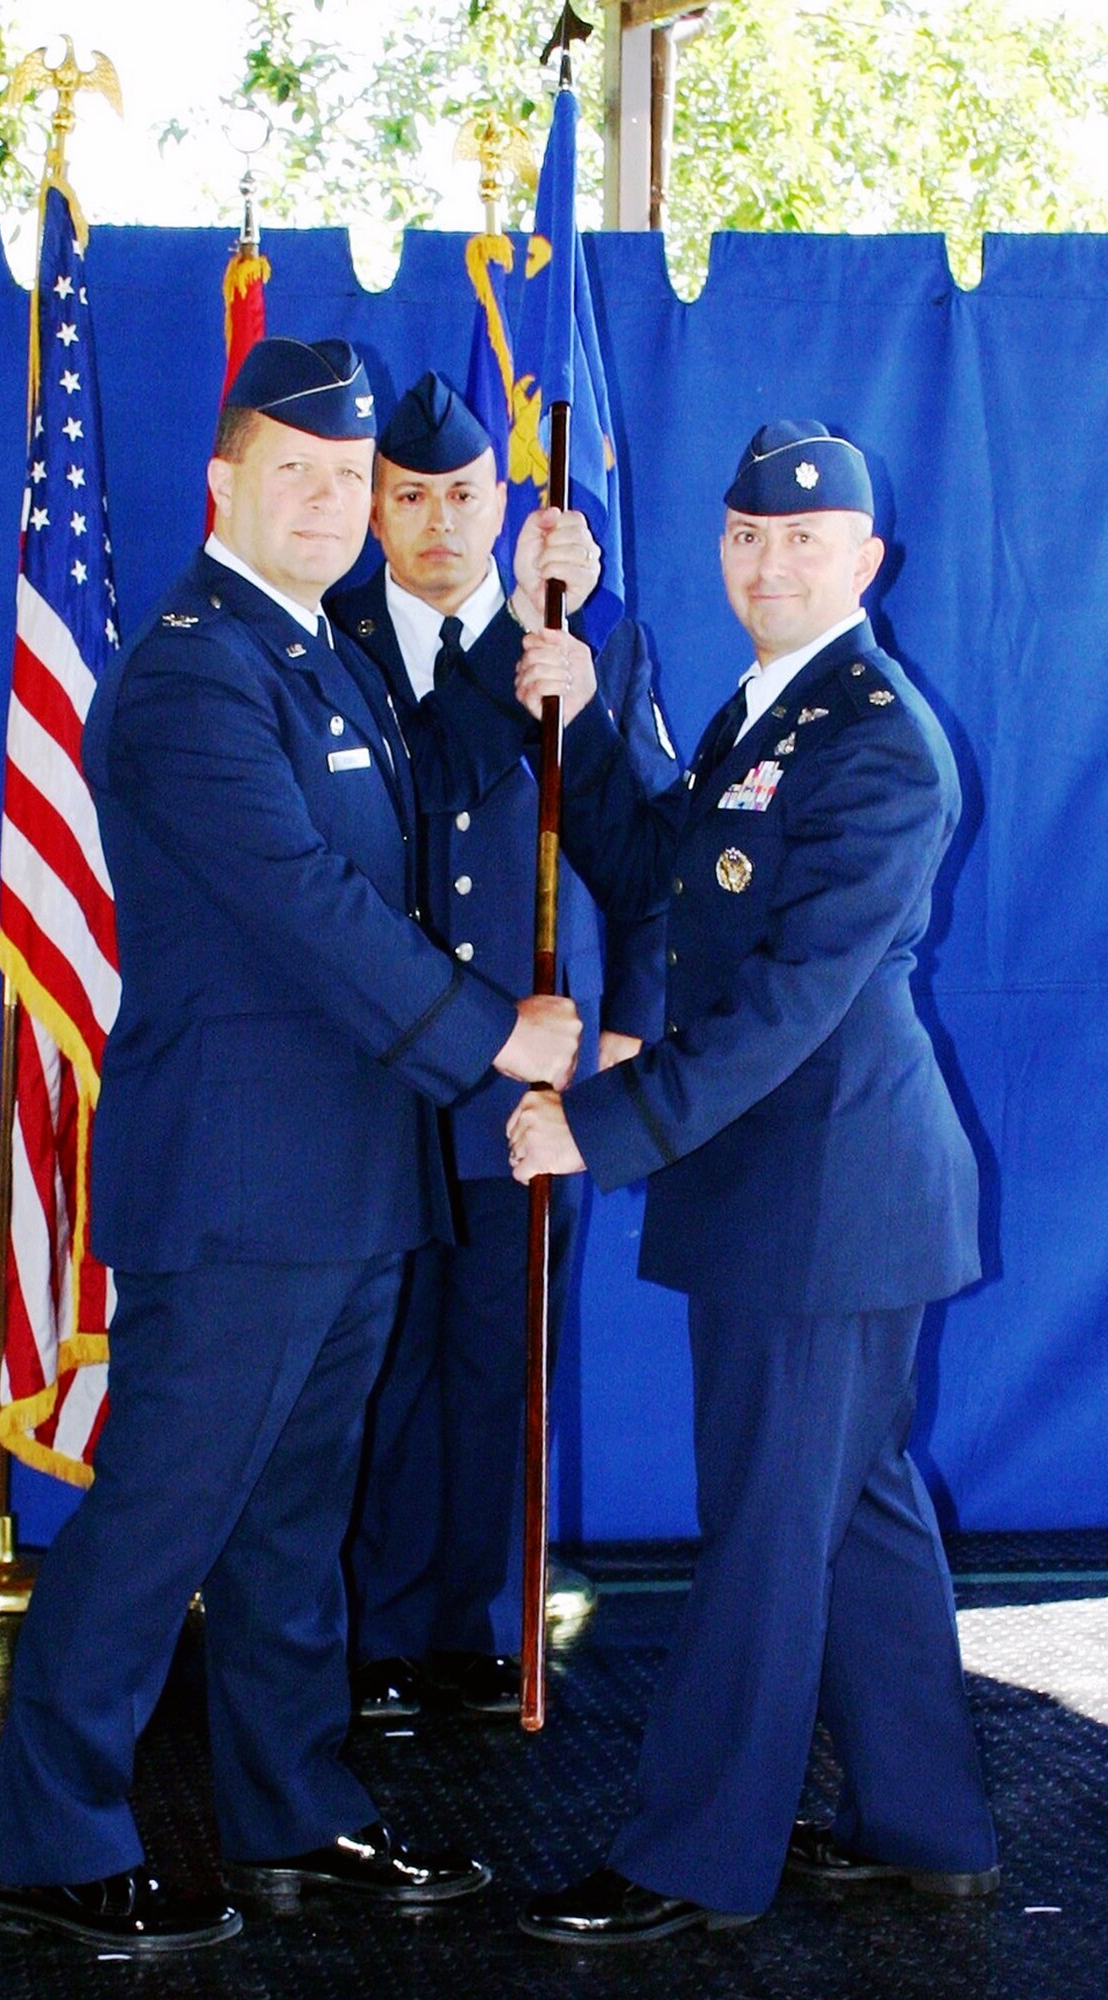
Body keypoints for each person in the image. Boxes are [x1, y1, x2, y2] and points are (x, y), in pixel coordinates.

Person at [0, 337, 587, 1955]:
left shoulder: (314, 651)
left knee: (291, 1522)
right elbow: (306, 909)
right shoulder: (190, 670)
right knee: (166, 1511)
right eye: (295, 475)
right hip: (241, 1185)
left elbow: (425, 798)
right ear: (223, 486)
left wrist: (542, 632)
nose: (327, 502)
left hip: (344, 1175)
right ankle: (43, 1838)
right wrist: (490, 1035)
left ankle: (290, 1810)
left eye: (345, 480)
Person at [507, 420, 999, 1943]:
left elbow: (789, 1000)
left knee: (766, 1540)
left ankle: (684, 1861)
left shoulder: (875, 740)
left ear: (866, 560)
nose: (767, 560)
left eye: (802, 539)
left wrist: (603, 1123)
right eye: (744, 535)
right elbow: (662, 864)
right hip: (793, 1193)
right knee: (851, 1512)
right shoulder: (762, 708)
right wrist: (581, 721)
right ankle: (925, 1824)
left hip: (825, 1199)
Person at [329, 373, 675, 1720]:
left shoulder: (581, 643)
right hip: (362, 1082)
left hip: (519, 1091)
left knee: (493, 1367)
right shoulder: (321, 635)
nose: (433, 524)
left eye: (461, 497)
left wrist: (630, 1039)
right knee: (371, 1372)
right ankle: (365, 1633)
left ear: (506, 507)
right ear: (369, 505)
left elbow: (639, 859)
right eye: (406, 498)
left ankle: (469, 1626)